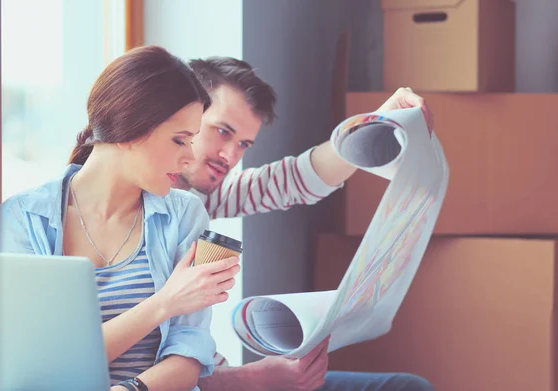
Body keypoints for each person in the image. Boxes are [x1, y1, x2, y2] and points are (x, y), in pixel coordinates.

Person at [172, 56, 435, 391]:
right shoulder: (135, 222)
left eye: (243, 144)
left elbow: (293, 178)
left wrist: (376, 122)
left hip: (227, 376)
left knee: (406, 387)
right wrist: (256, 378)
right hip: (220, 382)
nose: (230, 156)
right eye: (222, 132)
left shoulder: (201, 195)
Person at [0, 46, 241, 391]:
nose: (190, 157)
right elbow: (39, 365)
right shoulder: (22, 220)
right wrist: (164, 304)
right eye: (180, 140)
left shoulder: (184, 216)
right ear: (131, 127)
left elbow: (190, 356)